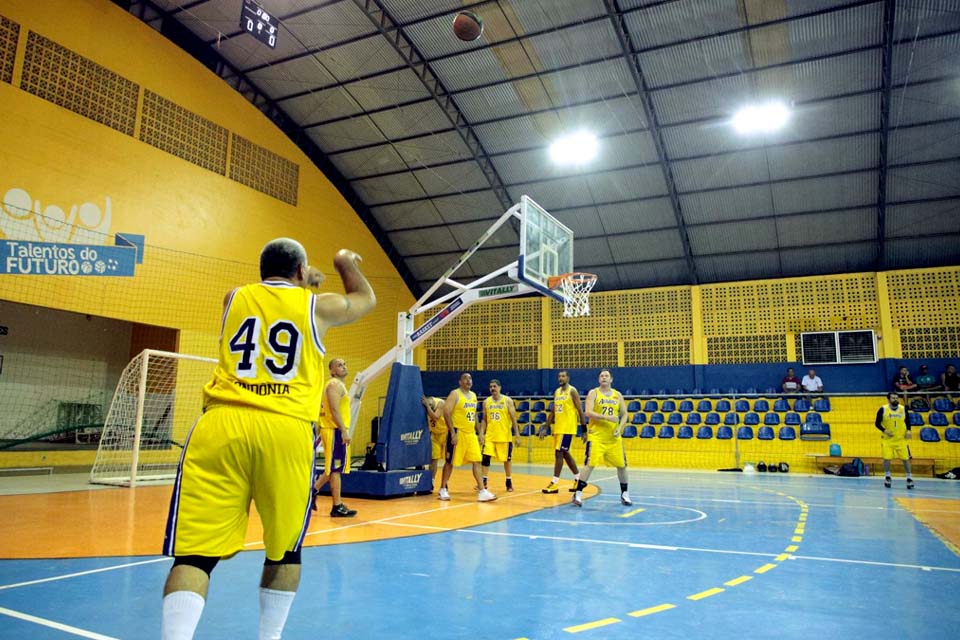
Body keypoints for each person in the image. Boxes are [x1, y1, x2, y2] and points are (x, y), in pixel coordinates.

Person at [160, 240, 375, 640]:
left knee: (193, 556)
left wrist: (302, 276)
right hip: (285, 427)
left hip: (220, 425)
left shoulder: (233, 298)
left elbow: (269, 294)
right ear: (300, 272)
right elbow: (364, 298)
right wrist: (343, 262)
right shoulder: (317, 306)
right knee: (285, 549)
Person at [572, 370, 631, 508]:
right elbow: (588, 412)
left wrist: (620, 428)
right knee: (590, 464)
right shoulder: (594, 393)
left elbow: (624, 414)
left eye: (606, 376)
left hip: (613, 437)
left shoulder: (618, 395)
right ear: (599, 380)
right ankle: (578, 493)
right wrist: (607, 418)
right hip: (596, 436)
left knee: (622, 465)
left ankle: (625, 493)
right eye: (601, 376)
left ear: (611, 380)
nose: (604, 378)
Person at [439, 372, 496, 502]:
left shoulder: (474, 396)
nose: (468, 380)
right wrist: (452, 432)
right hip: (458, 433)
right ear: (460, 382)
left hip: (470, 434)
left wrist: (479, 432)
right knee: (450, 462)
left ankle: (482, 491)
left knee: (476, 461)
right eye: (465, 378)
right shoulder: (455, 394)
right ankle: (443, 489)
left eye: (470, 378)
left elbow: (474, 414)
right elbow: (446, 412)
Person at [312, 358, 357, 518]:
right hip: (334, 430)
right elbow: (335, 410)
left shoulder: (337, 385)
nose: (344, 366)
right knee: (335, 469)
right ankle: (337, 506)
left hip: (334, 429)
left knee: (331, 468)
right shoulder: (334, 385)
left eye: (344, 364)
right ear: (332, 371)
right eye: (339, 365)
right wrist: (344, 431)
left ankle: (313, 491)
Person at [541, 370, 586, 494]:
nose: (561, 378)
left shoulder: (572, 391)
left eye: (563, 376)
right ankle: (578, 479)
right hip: (558, 428)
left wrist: (584, 429)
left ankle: (554, 483)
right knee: (565, 453)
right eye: (559, 376)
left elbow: (580, 410)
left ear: (568, 378)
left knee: (559, 453)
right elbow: (553, 411)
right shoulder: (557, 392)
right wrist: (546, 427)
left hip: (568, 428)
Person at [479, 379, 520, 492]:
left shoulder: (507, 401)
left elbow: (513, 419)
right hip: (490, 436)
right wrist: (482, 434)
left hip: (504, 436)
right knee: (485, 458)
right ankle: (484, 481)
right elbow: (484, 420)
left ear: (500, 388)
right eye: (491, 387)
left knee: (506, 460)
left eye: (495, 386)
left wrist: (517, 435)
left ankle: (508, 480)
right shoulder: (486, 402)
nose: (493, 389)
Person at [875, 392, 914, 490]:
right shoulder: (883, 409)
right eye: (893, 398)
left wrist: (909, 430)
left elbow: (908, 421)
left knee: (906, 459)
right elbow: (877, 423)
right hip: (888, 439)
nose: (895, 399)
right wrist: (885, 430)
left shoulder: (903, 409)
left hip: (901, 439)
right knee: (887, 459)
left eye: (896, 398)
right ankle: (887, 477)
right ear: (888, 399)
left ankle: (909, 478)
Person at [422, 395, 448, 491]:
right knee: (434, 459)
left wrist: (428, 407)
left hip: (445, 433)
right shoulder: (426, 406)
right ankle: (431, 481)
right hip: (434, 434)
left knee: (448, 460)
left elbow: (436, 417)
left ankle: (445, 482)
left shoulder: (440, 403)